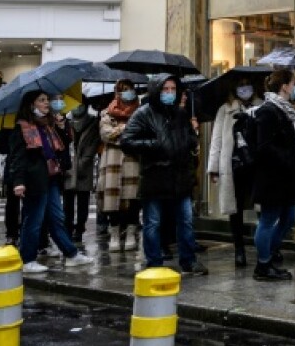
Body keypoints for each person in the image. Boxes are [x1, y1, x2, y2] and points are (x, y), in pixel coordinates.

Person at [121, 76, 207, 275]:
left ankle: (188, 260)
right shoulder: (143, 114)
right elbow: (127, 141)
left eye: (173, 89)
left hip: (180, 177)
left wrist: (192, 140)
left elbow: (189, 138)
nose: (169, 93)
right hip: (155, 177)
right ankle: (154, 262)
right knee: (153, 222)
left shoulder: (180, 114)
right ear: (156, 91)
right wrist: (154, 145)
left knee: (185, 221)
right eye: (165, 89)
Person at [7, 88, 93, 273]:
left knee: (56, 218)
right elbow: (17, 157)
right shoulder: (22, 127)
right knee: (33, 219)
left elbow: (61, 147)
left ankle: (71, 254)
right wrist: (18, 181)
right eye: (42, 100)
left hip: (51, 177)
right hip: (34, 180)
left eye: (47, 100)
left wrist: (62, 127)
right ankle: (27, 259)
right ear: (31, 105)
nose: (47, 103)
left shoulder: (48, 125)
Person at [250, 69, 295, 281]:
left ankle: (270, 255)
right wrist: (288, 158)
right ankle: (263, 264)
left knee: (289, 218)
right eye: (293, 84)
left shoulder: (287, 110)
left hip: (287, 177)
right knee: (268, 220)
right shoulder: (268, 111)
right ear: (284, 86)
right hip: (272, 178)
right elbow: (264, 146)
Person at [207, 79, 259, 267]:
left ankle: (265, 246)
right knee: (234, 208)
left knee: (261, 204)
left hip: (255, 164)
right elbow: (216, 139)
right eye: (241, 84)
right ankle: (239, 249)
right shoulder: (226, 109)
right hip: (233, 164)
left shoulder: (261, 106)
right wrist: (213, 168)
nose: (244, 88)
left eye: (248, 84)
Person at [99, 80, 142, 252]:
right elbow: (105, 134)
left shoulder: (140, 112)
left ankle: (131, 232)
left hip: (133, 159)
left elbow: (140, 133)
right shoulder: (106, 112)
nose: (127, 93)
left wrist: (120, 132)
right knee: (111, 198)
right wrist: (125, 129)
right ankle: (115, 234)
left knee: (132, 198)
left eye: (129, 90)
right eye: (123, 90)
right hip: (112, 160)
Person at [63, 94, 102, 243]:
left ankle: (80, 228)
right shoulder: (66, 123)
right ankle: (68, 227)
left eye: (80, 105)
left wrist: (83, 161)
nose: (77, 108)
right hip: (68, 167)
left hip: (85, 167)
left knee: (83, 201)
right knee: (67, 202)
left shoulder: (93, 122)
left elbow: (93, 145)